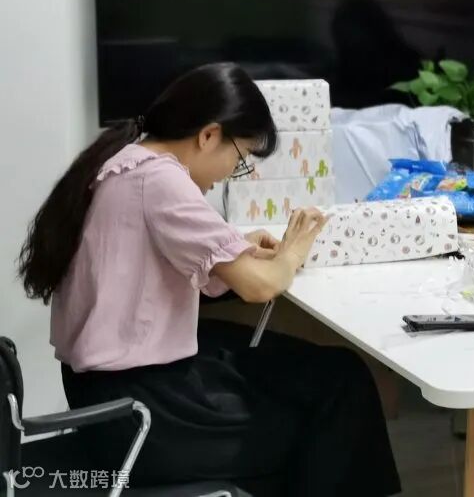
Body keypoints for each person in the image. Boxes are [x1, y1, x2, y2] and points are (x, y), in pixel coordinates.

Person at [18, 63, 400, 496]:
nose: (228, 174)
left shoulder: (128, 161)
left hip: (109, 391)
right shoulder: (160, 180)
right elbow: (260, 286)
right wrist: (293, 250)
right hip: (138, 414)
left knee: (333, 373)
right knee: (331, 409)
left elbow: (158, 250)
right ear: (209, 135)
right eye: (239, 159)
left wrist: (236, 247)